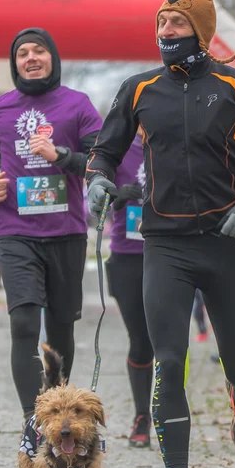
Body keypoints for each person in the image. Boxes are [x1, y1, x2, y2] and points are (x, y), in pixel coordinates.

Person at [86, 0, 235, 468]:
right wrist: (95, 179)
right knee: (169, 359)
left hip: (226, 244)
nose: (165, 33)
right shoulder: (138, 89)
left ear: (200, 32)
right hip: (164, 245)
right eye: (161, 24)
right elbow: (105, 152)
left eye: (177, 24)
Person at [0, 27, 103, 430]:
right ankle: (34, 421)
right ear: (14, 63)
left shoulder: (77, 104)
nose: (30, 58)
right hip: (17, 231)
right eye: (22, 53)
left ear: (53, 58)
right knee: (24, 324)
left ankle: (60, 410)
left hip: (66, 231)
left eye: (39, 51)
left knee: (61, 326)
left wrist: (61, 155)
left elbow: (100, 161)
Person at [103, 137, 155, 447]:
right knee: (140, 340)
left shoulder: (174, 142)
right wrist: (118, 198)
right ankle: (141, 415)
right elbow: (93, 199)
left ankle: (168, 409)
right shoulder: (118, 148)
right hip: (126, 256)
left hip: (168, 254)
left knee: (166, 341)